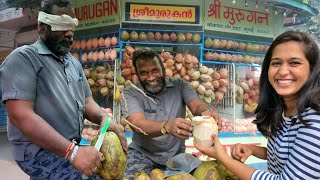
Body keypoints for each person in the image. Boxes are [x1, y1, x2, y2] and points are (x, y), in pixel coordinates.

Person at [0, 0, 127, 179]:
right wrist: (72, 152)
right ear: (42, 26)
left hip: (68, 146)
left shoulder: (73, 63)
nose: (69, 33)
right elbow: (21, 116)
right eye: (61, 26)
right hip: (37, 152)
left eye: (72, 27)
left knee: (112, 170)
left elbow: (86, 101)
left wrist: (105, 119)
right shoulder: (23, 59)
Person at [194, 31, 320, 179]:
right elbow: (288, 155)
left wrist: (223, 158)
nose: (283, 71)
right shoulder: (284, 111)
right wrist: (253, 150)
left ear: (312, 69)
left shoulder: (314, 119)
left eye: (294, 63)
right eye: (276, 63)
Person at [120, 47, 221, 179]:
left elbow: (197, 106)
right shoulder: (130, 93)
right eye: (144, 73)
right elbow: (137, 124)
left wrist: (207, 114)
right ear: (137, 74)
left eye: (155, 70)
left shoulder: (180, 85)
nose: (150, 77)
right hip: (142, 154)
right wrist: (165, 126)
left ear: (163, 68)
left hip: (176, 155)